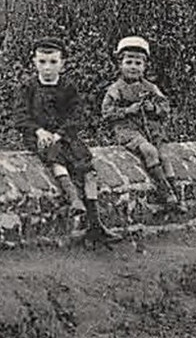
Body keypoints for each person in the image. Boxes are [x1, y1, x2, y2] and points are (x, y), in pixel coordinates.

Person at [12, 35, 118, 248]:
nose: (48, 68)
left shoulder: (68, 87)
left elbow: (77, 115)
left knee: (86, 168)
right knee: (55, 158)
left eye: (53, 62)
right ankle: (74, 199)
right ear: (34, 62)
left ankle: (96, 224)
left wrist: (61, 133)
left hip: (65, 135)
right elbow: (20, 116)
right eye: (42, 62)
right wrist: (39, 131)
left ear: (62, 63)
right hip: (39, 138)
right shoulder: (28, 87)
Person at [101, 35, 186, 217]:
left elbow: (165, 108)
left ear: (144, 66)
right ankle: (166, 194)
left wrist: (152, 107)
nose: (133, 67)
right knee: (149, 151)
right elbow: (107, 113)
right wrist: (127, 110)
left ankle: (176, 194)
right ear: (120, 64)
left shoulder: (151, 88)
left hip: (151, 130)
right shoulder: (116, 89)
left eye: (138, 63)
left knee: (164, 155)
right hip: (127, 131)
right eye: (128, 62)